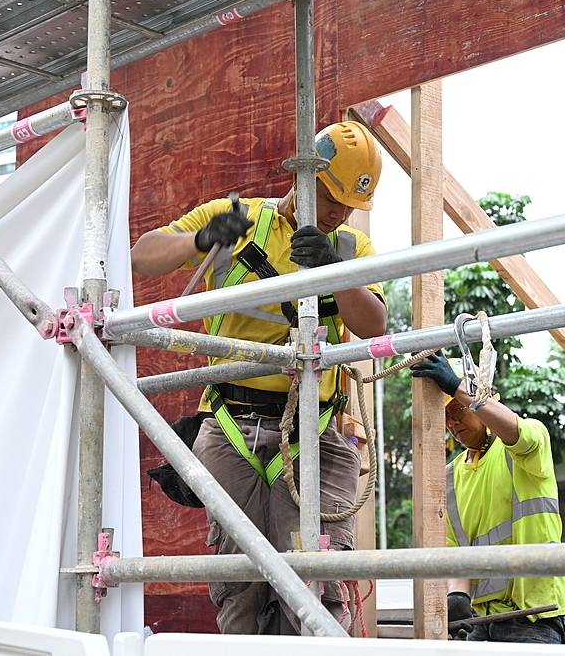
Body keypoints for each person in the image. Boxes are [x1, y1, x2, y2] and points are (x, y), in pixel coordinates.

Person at [131, 121, 388, 635]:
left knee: (315, 594)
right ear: (304, 178)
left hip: (314, 429)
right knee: (241, 589)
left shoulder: (351, 247)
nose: (336, 213)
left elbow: (374, 324)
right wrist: (200, 241)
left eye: (346, 205)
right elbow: (142, 256)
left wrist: (334, 278)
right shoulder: (241, 219)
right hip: (233, 427)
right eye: (330, 197)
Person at [410, 352, 565, 644]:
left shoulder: (528, 445)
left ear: (481, 399)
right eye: (445, 417)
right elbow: (456, 551)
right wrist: (457, 595)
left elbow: (517, 432)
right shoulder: (451, 476)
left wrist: (459, 387)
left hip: (532, 616)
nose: (453, 423)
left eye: (458, 410)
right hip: (481, 621)